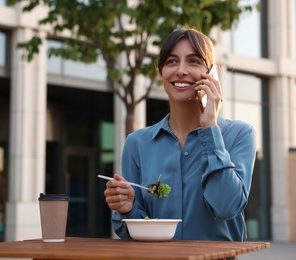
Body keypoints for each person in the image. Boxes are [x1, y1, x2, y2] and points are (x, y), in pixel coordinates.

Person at [103, 27, 256, 241]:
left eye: (193, 61)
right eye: (172, 61)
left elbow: (227, 207)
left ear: (211, 73)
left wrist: (210, 128)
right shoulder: (137, 143)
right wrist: (128, 209)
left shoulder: (239, 135)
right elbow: (133, 236)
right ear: (160, 72)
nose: (181, 70)